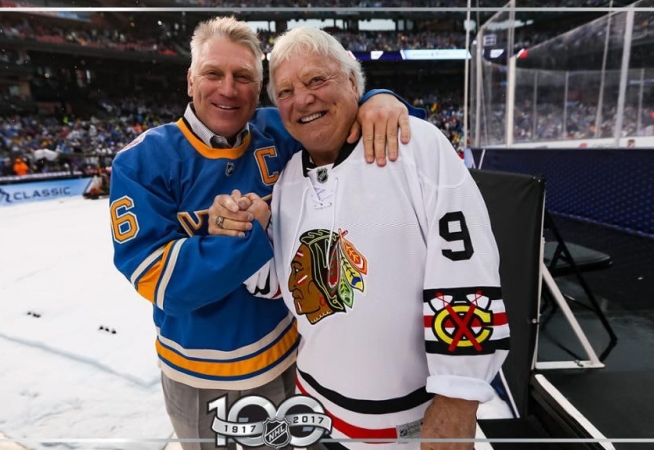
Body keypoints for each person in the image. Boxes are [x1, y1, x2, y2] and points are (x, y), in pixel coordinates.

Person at [108, 16, 420, 450]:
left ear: (259, 88)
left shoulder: (281, 129)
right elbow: (160, 281)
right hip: (205, 381)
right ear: (190, 79)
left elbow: (342, 111)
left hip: (297, 359)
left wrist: (378, 100)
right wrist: (247, 238)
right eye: (213, 73)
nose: (228, 89)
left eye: (243, 77)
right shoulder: (142, 161)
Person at [209, 27, 509, 450]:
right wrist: (245, 235)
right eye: (286, 91)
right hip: (314, 413)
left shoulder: (416, 145)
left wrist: (458, 397)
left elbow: (467, 273)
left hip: (414, 425)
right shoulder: (289, 176)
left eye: (316, 80)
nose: (302, 99)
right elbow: (284, 286)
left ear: (353, 83)